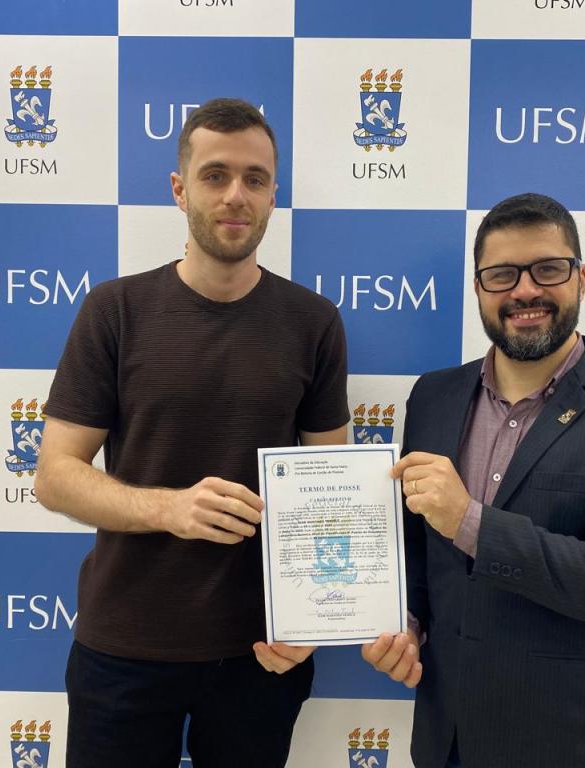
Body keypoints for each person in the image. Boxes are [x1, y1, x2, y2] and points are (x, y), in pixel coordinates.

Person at [35, 98, 349, 768]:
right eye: (215, 175)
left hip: (261, 650)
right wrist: (169, 508)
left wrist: (318, 617)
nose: (236, 195)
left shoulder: (314, 322)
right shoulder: (114, 311)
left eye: (255, 179)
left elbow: (333, 495)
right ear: (180, 190)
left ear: (273, 195)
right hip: (123, 645)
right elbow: (55, 477)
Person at [361, 193, 585, 768]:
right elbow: (417, 550)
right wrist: (405, 624)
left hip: (573, 745)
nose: (524, 291)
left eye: (547, 269)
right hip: (448, 740)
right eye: (502, 275)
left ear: (581, 278)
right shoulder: (434, 396)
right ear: (478, 289)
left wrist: (471, 522)